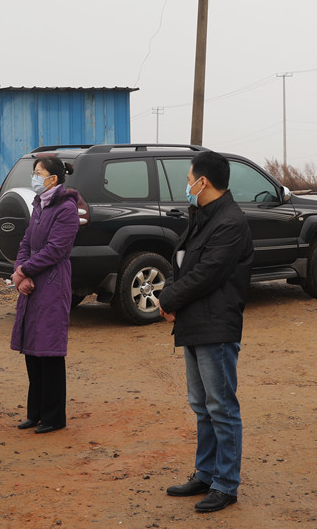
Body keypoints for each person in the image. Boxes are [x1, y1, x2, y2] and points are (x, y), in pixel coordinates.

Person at [158, 151, 253, 513]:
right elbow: (182, 265)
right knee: (202, 407)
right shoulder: (201, 217)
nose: (186, 185)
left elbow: (207, 274)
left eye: (189, 179)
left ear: (204, 181)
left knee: (221, 407)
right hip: (195, 323)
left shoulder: (231, 222)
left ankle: (226, 484)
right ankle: (206, 472)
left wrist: (168, 299)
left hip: (216, 326)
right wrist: (170, 296)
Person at [10, 157, 79, 434]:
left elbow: (55, 250)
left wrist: (24, 270)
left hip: (52, 283)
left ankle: (53, 416)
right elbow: (26, 242)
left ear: (53, 179)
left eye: (39, 173)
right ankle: (35, 413)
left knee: (49, 351)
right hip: (33, 282)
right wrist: (21, 273)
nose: (34, 177)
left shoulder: (66, 208)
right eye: (34, 172)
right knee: (33, 349)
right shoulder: (39, 204)